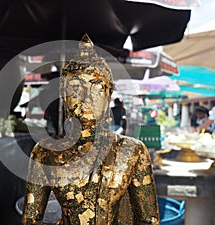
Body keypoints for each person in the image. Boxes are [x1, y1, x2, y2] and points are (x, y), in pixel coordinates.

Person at [21, 34, 159, 225]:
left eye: (95, 87)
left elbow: (148, 220)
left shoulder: (133, 151)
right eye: (76, 88)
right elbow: (31, 219)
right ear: (64, 97)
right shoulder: (45, 153)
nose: (86, 97)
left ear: (108, 95)